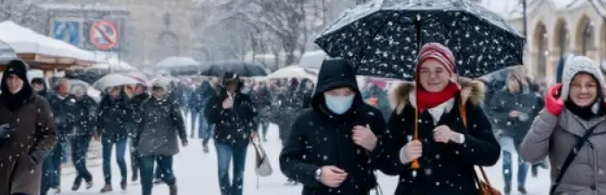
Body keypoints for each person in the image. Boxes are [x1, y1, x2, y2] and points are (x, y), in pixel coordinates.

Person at [519, 55, 606, 195]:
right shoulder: (555, 119)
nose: (583, 90)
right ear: (567, 87)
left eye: (590, 85)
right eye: (576, 84)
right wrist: (549, 115)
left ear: (599, 88)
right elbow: (529, 155)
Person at [382, 43, 501, 195]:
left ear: (450, 72)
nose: (432, 76)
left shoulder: (466, 105)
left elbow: (491, 153)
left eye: (439, 70)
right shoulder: (405, 108)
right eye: (425, 70)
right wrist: (401, 155)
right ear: (417, 74)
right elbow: (384, 157)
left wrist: (459, 139)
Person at [279, 58, 390, 195]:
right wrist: (316, 174)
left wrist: (375, 145)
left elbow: (391, 165)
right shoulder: (305, 120)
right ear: (322, 92)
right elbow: (287, 162)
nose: (341, 98)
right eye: (334, 94)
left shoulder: (370, 116)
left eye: (348, 93)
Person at [0, 59, 57, 195]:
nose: (13, 82)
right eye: (9, 78)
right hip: (0, 169)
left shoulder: (38, 103)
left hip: (26, 169)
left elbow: (50, 134)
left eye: (17, 78)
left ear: (24, 80)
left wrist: (34, 156)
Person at [487, 73, 542, 195]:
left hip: (524, 132)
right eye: (510, 80)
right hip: (506, 131)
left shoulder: (528, 95)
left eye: (514, 80)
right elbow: (492, 114)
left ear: (519, 82)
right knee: (507, 158)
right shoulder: (500, 95)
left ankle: (521, 184)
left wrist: (524, 115)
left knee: (523, 159)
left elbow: (535, 112)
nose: (512, 83)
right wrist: (508, 115)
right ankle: (507, 184)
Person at [132, 78, 187, 195]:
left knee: (167, 174)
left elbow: (179, 121)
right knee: (146, 175)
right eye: (154, 89)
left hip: (165, 143)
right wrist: (136, 141)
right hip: (147, 143)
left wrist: (183, 137)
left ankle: (171, 183)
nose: (156, 92)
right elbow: (139, 124)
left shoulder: (171, 104)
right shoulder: (146, 104)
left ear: (164, 91)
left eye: (159, 89)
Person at [205, 72, 257, 195]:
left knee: (239, 171)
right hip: (222, 139)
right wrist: (221, 107)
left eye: (234, 83)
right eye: (228, 83)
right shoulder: (216, 98)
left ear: (239, 84)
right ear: (224, 84)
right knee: (223, 169)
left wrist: (254, 129)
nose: (232, 86)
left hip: (241, 138)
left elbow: (252, 116)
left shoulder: (245, 98)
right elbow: (210, 118)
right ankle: (226, 193)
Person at [96, 85, 132, 193]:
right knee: (106, 159)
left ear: (120, 89)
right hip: (107, 133)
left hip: (121, 133)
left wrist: (119, 112)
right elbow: (99, 117)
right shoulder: (104, 101)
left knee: (119, 158)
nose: (113, 92)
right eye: (111, 89)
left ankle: (124, 179)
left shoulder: (125, 101)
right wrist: (98, 130)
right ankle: (108, 183)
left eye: (115, 89)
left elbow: (130, 117)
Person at [44, 80, 74, 194]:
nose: (67, 89)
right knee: (50, 161)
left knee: (57, 161)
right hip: (52, 134)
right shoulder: (52, 99)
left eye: (68, 87)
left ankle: (56, 183)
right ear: (60, 87)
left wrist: (68, 126)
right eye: (65, 87)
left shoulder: (70, 100)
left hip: (62, 135)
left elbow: (72, 116)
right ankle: (52, 183)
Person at [67, 84, 97, 191]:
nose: (78, 93)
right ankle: (86, 176)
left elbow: (93, 118)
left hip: (85, 133)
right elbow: (66, 114)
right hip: (73, 133)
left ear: (85, 92)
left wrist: (92, 129)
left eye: (80, 91)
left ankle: (82, 179)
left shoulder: (89, 102)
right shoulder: (69, 101)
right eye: (76, 91)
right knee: (76, 158)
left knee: (80, 156)